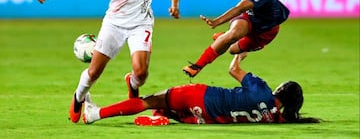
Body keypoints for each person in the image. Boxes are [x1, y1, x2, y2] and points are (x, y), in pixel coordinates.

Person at [35, 0, 180, 123]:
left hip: (141, 24)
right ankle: (78, 98)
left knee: (141, 72)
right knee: (94, 71)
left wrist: (174, 4)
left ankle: (132, 82)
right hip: (114, 24)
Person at [82, 52, 320, 125]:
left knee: (148, 100)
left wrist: (239, 51)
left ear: (280, 90)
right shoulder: (276, 119)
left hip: (202, 96)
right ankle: (157, 118)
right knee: (162, 108)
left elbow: (233, 69)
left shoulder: (262, 90)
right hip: (206, 117)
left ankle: (96, 114)